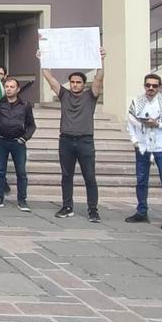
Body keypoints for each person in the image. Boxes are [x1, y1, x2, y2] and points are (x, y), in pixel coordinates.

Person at [39, 47, 105, 222]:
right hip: (66, 140)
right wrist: (43, 60)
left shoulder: (91, 96)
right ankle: (67, 206)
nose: (75, 84)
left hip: (85, 141)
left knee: (89, 176)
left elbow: (99, 79)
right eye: (72, 82)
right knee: (66, 176)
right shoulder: (64, 95)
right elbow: (50, 79)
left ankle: (93, 210)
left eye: (78, 82)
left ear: (84, 84)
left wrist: (101, 60)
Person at [126, 73, 162, 229]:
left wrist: (157, 124)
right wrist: (138, 134)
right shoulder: (137, 101)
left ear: (159, 87)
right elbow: (131, 120)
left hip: (161, 147)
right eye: (148, 85)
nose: (151, 88)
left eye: (154, 86)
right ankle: (142, 211)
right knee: (141, 181)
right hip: (143, 146)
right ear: (144, 86)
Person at [0, 77, 36, 212]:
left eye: (12, 87)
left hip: (18, 142)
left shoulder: (25, 105)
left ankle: (22, 200)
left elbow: (32, 125)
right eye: (7, 87)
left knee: (21, 172)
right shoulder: (0, 104)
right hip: (1, 141)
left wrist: (25, 138)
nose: (9, 89)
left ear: (17, 89)